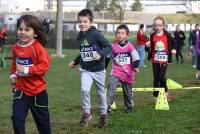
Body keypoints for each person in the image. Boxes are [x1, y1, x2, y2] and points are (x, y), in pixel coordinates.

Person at [68, 9, 111, 128]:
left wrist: (100, 54)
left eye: (85, 21)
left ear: (91, 22)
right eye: (80, 21)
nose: (82, 23)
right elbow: (83, 52)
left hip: (98, 70)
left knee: (100, 94)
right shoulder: (80, 36)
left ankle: (103, 115)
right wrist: (75, 62)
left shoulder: (96, 34)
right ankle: (86, 113)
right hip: (86, 70)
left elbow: (108, 47)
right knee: (84, 90)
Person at [10, 15, 51, 134]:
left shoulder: (38, 48)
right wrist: (13, 75)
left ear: (35, 33)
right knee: (16, 119)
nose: (23, 32)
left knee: (43, 123)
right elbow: (14, 64)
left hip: (38, 92)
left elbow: (44, 66)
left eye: (27, 30)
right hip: (21, 90)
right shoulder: (16, 48)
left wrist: (27, 70)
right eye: (20, 29)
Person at [107, 24, 140, 113]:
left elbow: (136, 57)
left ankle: (129, 107)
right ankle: (107, 106)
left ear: (126, 35)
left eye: (122, 33)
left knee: (127, 91)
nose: (120, 35)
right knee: (111, 87)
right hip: (116, 71)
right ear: (116, 34)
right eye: (118, 33)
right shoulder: (113, 46)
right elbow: (107, 57)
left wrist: (136, 66)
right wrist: (104, 68)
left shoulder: (130, 46)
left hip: (127, 73)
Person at [147, 16, 175, 102]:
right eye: (156, 25)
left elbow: (173, 44)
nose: (158, 27)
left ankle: (166, 93)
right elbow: (148, 48)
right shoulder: (152, 36)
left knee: (162, 77)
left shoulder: (167, 35)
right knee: (156, 78)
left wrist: (173, 49)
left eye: (160, 25)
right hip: (155, 60)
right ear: (154, 26)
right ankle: (155, 96)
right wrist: (146, 45)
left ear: (163, 26)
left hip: (164, 60)